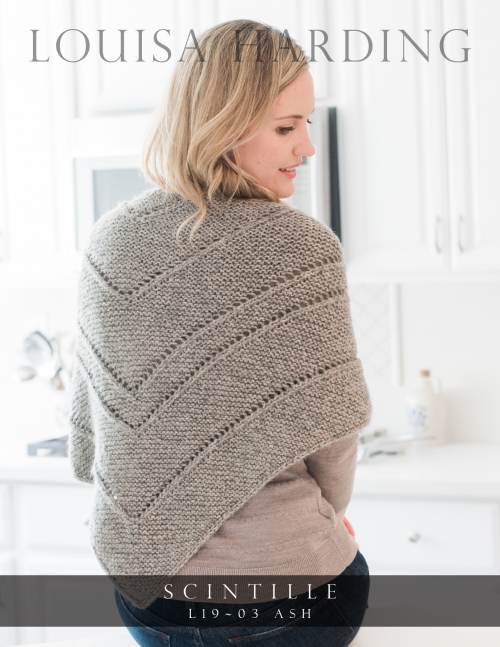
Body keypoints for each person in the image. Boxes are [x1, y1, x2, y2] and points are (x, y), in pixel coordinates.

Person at [69, 18, 372, 647]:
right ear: (222, 125)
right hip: (288, 592)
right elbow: (334, 438)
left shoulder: (110, 242)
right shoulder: (301, 248)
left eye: (307, 124)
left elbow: (97, 425)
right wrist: (333, 514)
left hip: (154, 603)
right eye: (286, 128)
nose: (307, 147)